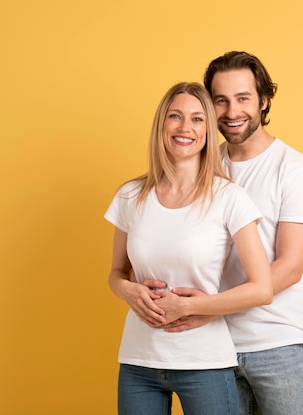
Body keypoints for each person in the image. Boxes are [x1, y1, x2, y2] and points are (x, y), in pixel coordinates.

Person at [147, 51, 303, 415]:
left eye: (243, 98)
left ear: (263, 100)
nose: (232, 112)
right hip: (212, 349)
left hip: (277, 344)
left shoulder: (294, 169)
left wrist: (202, 308)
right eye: (221, 101)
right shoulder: (199, 167)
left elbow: (290, 267)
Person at [104, 81, 273, 415]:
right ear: (161, 125)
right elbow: (116, 273)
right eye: (175, 116)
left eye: (197, 119)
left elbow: (262, 288)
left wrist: (192, 308)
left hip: (204, 362)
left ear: (209, 130)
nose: (185, 128)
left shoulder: (229, 198)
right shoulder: (130, 195)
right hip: (139, 362)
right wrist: (127, 291)